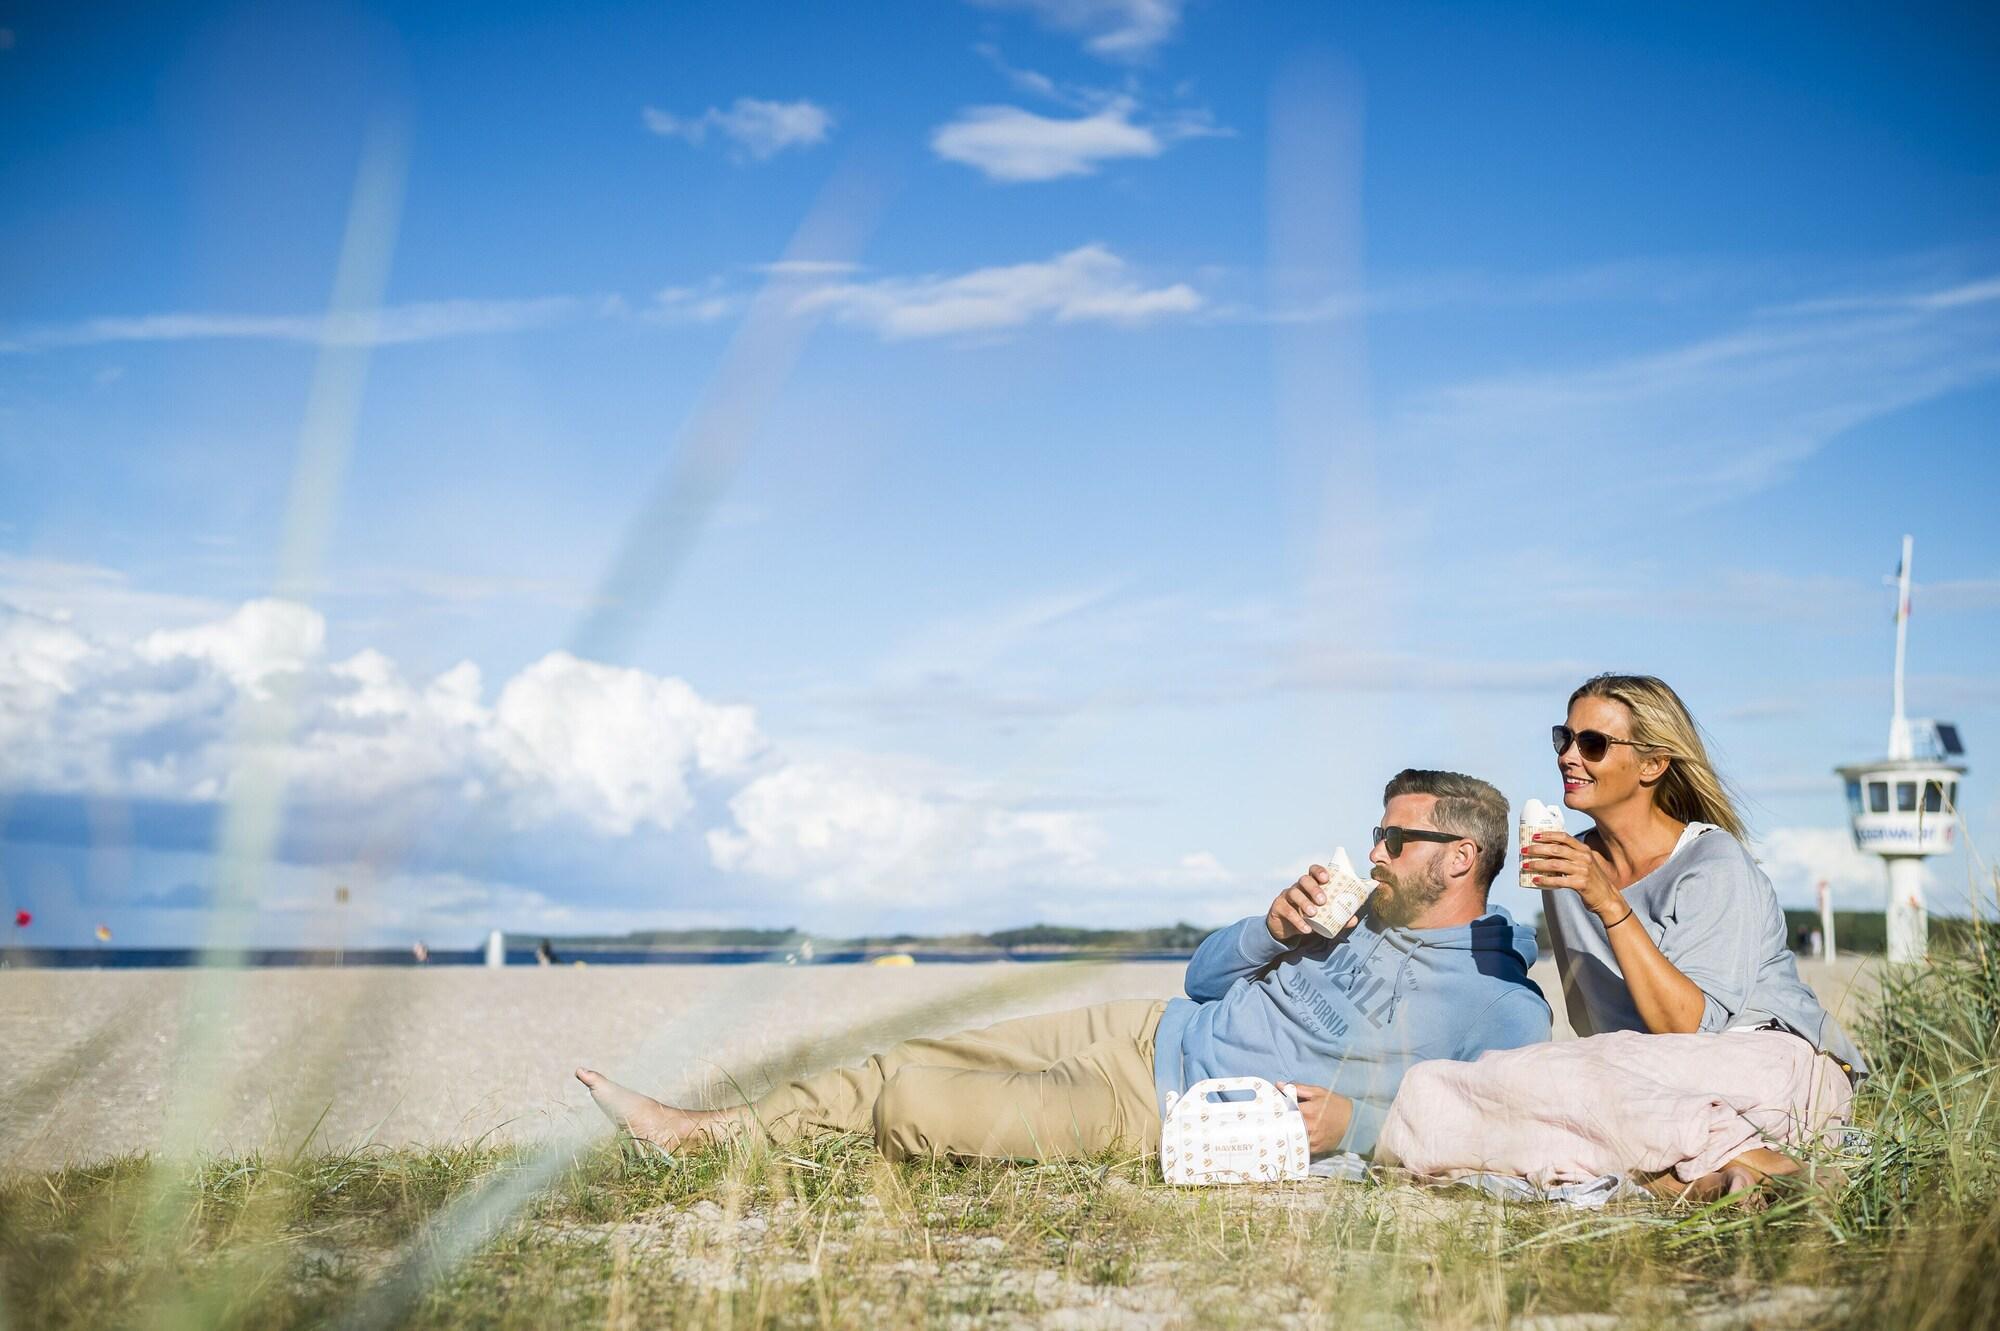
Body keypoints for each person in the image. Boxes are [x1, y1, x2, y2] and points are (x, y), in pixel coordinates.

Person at [578, 769, 1551, 1163]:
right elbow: (1200, 979)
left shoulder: (1498, 1000)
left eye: (1394, 838)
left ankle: (765, 1148)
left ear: (1458, 857)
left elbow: (1494, 1130)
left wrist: (1355, 1126)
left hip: (1164, 1110)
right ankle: (701, 1133)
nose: (1373, 851)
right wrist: (1268, 927)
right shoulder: (1354, 914)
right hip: (1147, 1027)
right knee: (902, 1057)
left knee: (915, 1099)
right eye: (1376, 831)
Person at [1520, 673, 1863, 1196]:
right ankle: (1736, 1179)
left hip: (1772, 1065)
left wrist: (1608, 902)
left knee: (1546, 1087)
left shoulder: (1712, 861)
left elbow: (1691, 1027)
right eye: (1563, 738)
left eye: (1592, 744)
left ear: (1653, 764)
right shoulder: (1571, 867)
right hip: (1654, 1080)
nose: (1568, 756)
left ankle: (1753, 1169)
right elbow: (1591, 1020)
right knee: (1496, 1088)